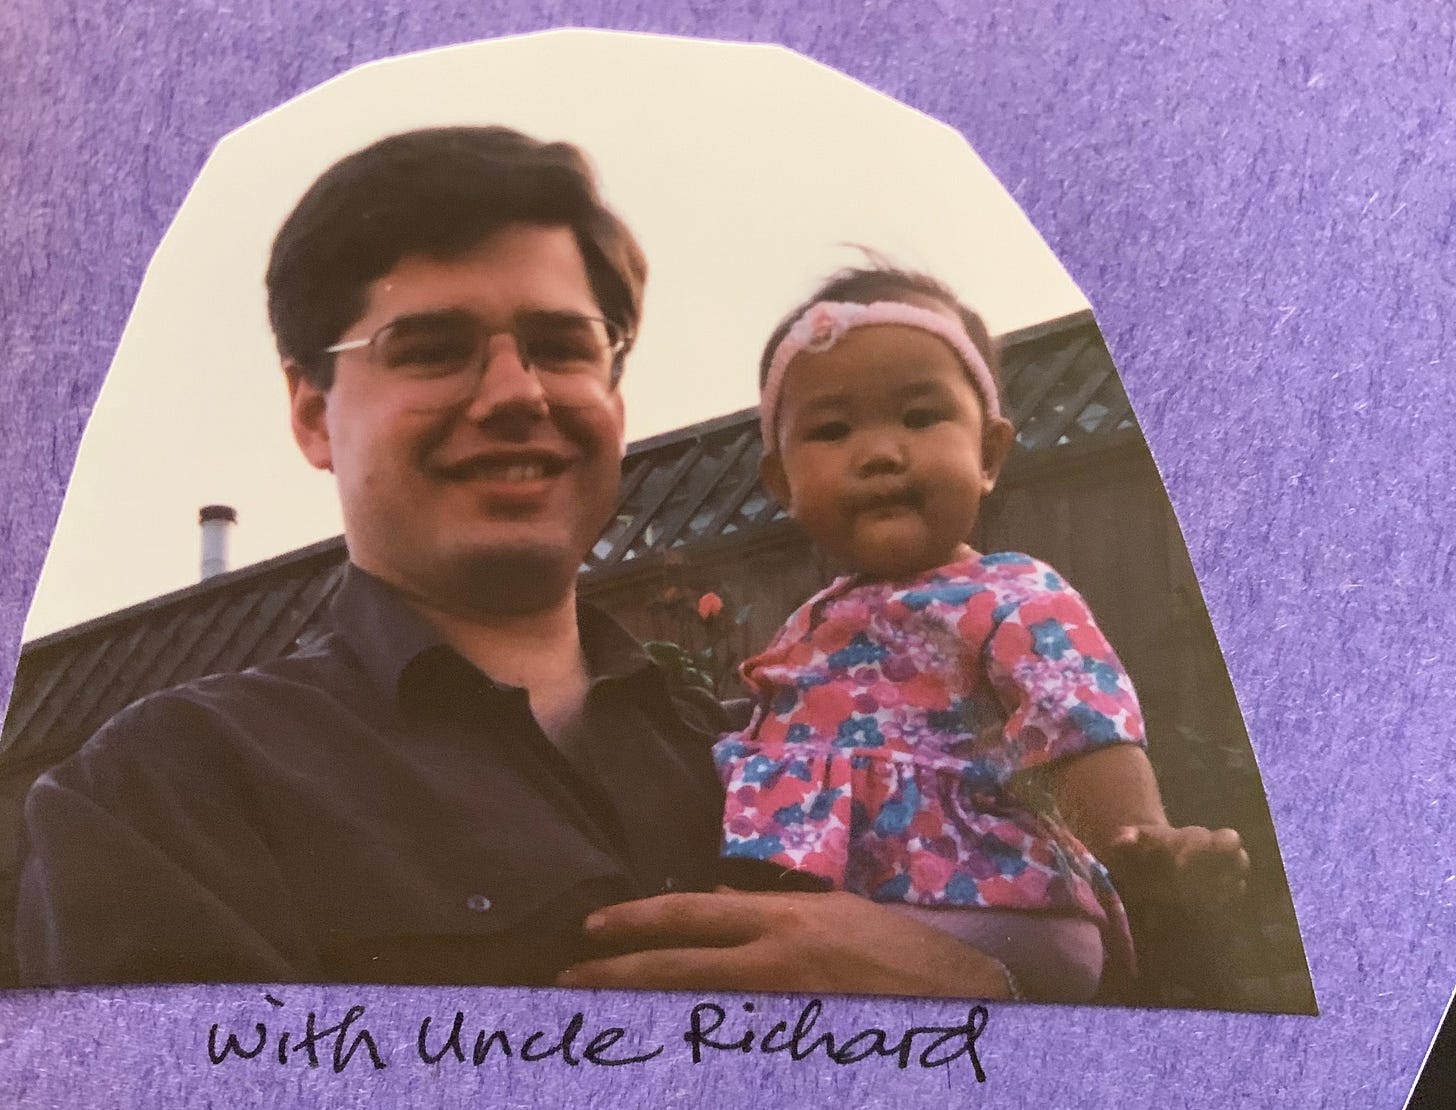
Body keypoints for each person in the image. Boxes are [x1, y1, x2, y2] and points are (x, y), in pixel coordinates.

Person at [13, 127, 1016, 997]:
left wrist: (977, 996)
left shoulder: (782, 758)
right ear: (313, 413)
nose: (513, 393)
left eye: (561, 345)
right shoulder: (167, 799)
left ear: (614, 400)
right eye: (430, 348)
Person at [713, 266, 1250, 1002]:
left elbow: (1074, 722)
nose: (878, 453)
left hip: (995, 903)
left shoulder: (1007, 593)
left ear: (990, 455)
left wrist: (1140, 835)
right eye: (832, 430)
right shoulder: (806, 626)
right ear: (783, 484)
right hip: (868, 916)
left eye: (920, 416)